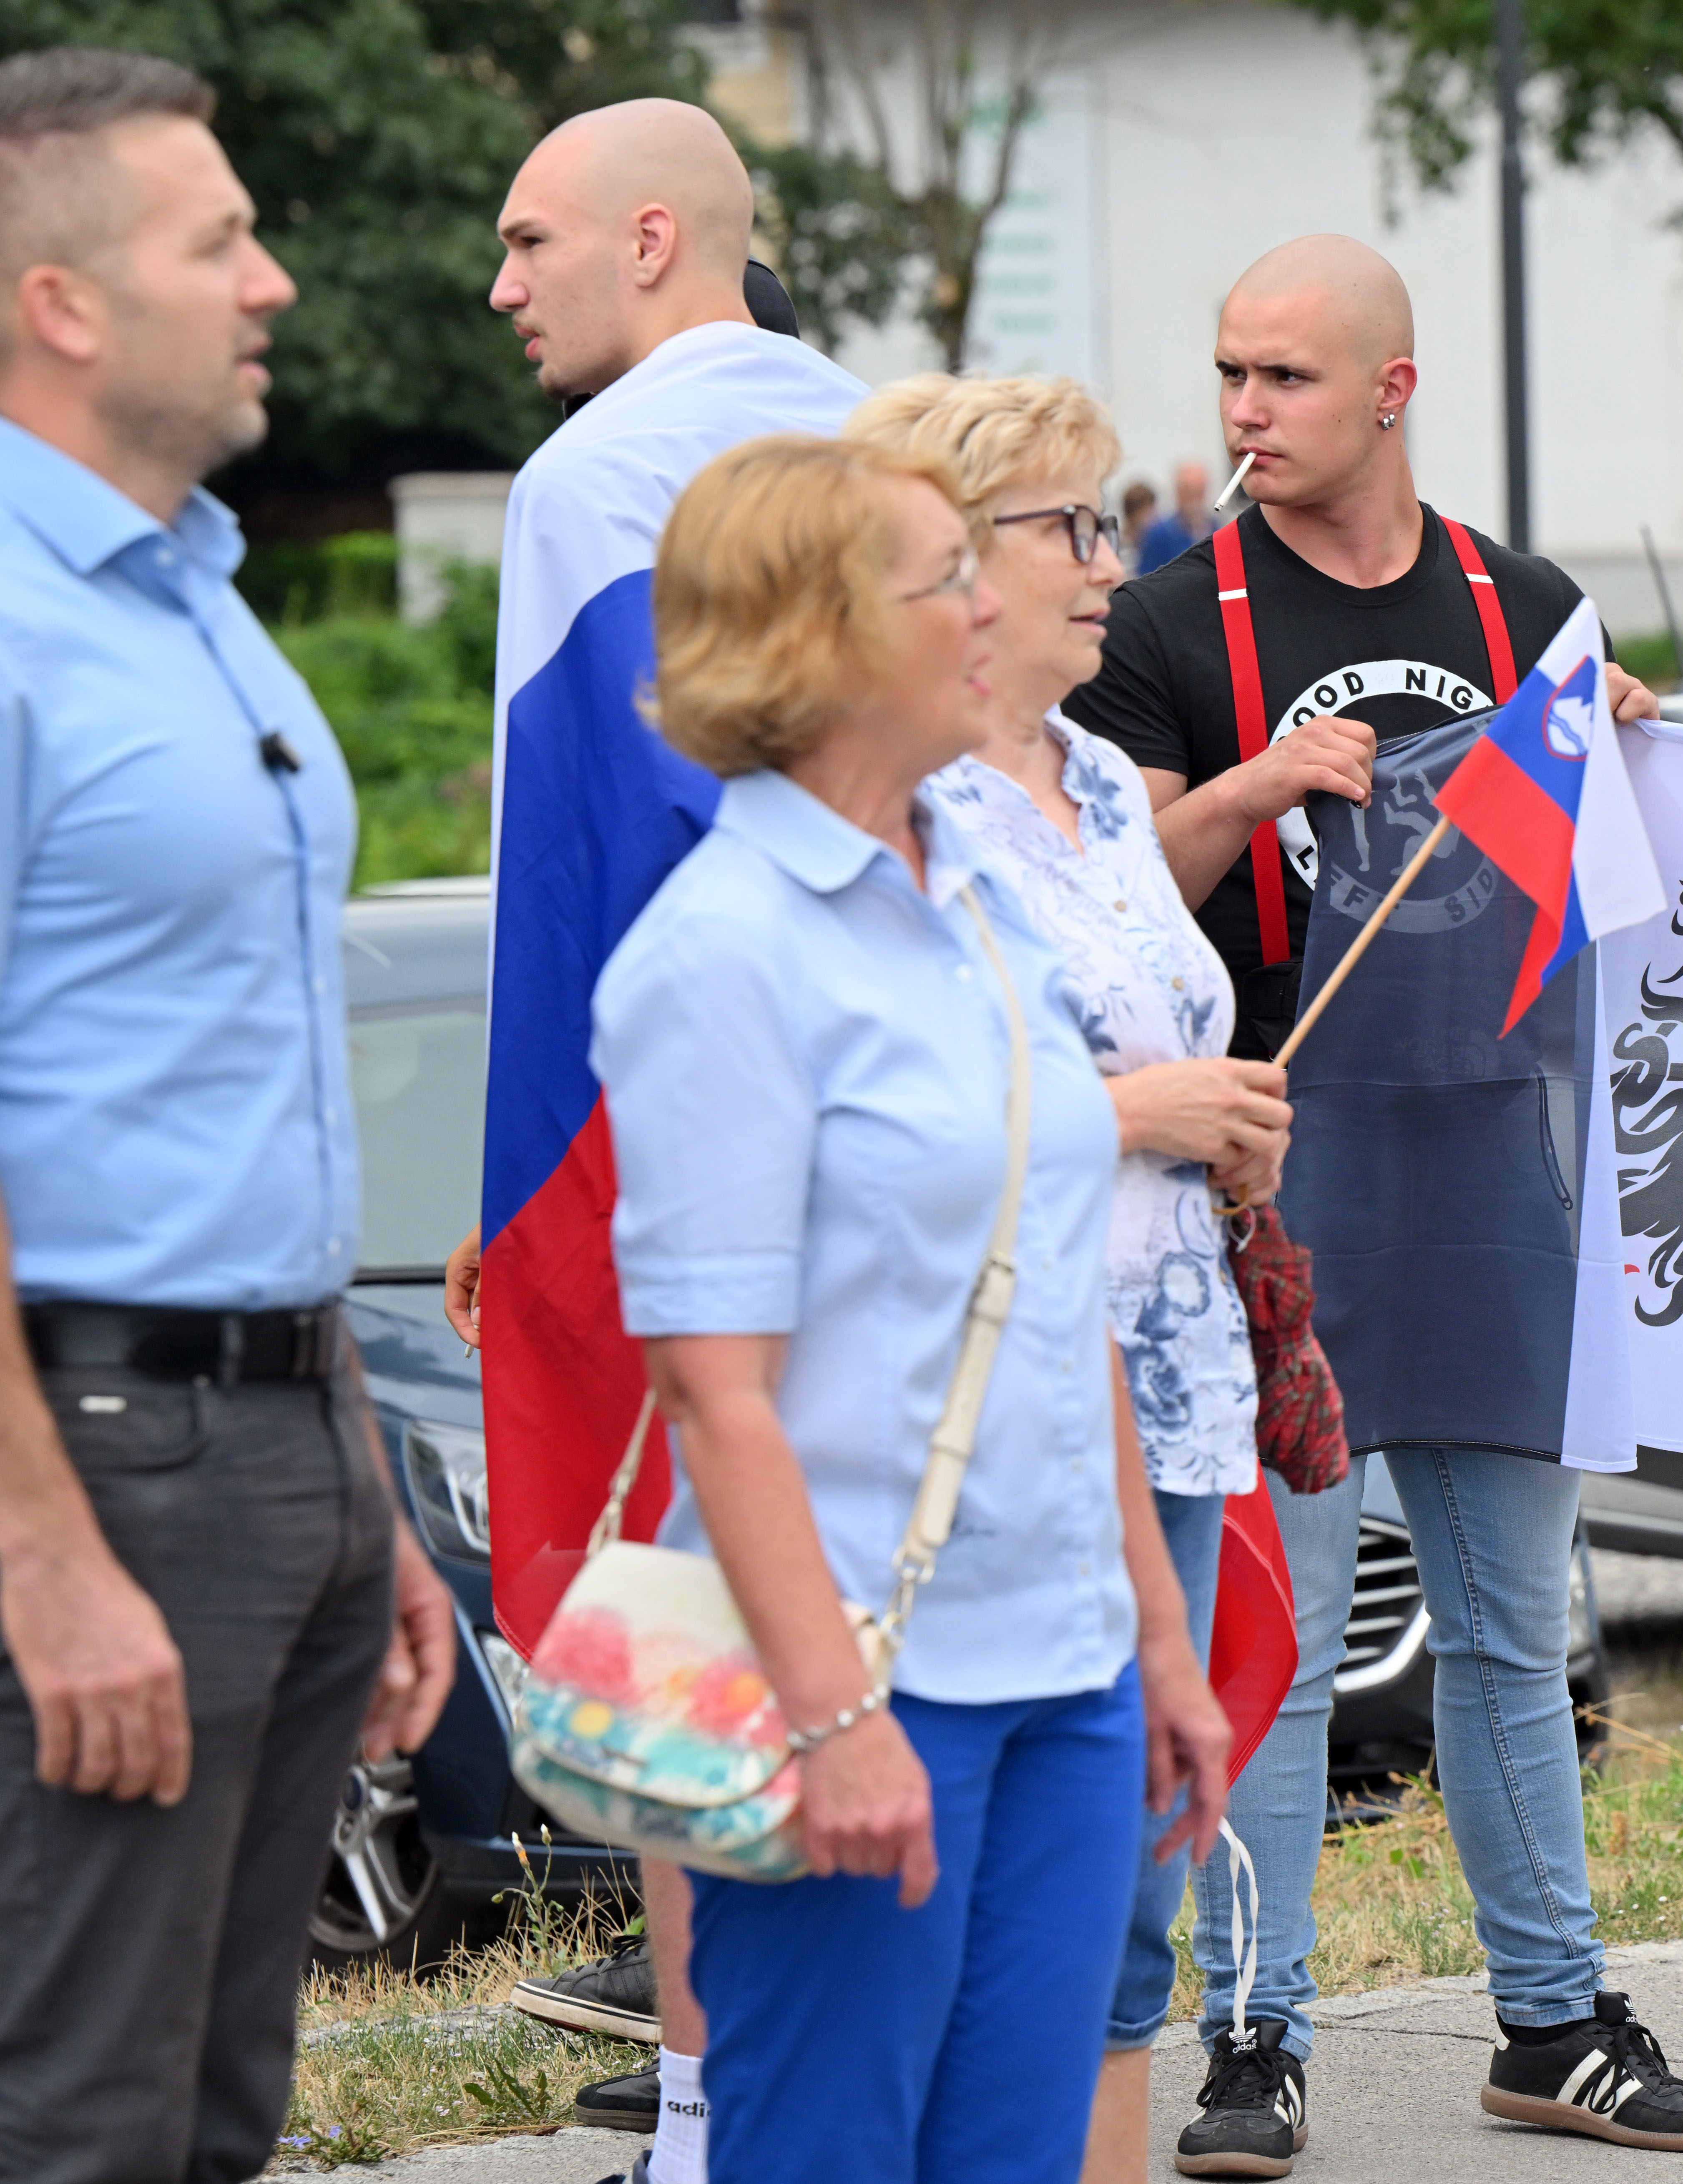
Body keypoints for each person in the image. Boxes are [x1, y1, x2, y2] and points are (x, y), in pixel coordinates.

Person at [1071, 232, 1683, 2171]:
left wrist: (1620, 754)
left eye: (1282, 378)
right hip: (1274, 1169)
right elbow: (1111, 879)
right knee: (1277, 1636)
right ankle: (1251, 2035)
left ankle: (1551, 2019)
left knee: (1509, 1623)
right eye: (1226, 374)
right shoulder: (1161, 615)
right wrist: (1254, 783)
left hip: (1487, 1155)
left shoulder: (1514, 600)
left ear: (1390, 387)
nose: (1240, 414)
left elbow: (1599, 887)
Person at [593, 431, 1230, 2184]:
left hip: (1067, 1677)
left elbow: (1051, 1291)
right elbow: (716, 1396)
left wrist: (1158, 1654)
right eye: (940, 577)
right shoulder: (720, 951)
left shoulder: (977, 907)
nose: (986, 609)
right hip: (859, 1688)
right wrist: (823, 1716)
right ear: (812, 638)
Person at [0, 48, 457, 2181]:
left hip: (277, 1435)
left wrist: (357, 1488)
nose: (275, 282)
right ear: (62, 301)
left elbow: (235, 1083)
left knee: (216, 2115)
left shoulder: (200, 602)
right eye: (221, 241)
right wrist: (45, 1558)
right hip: (90, 1459)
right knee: (76, 2114)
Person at [463, 97, 872, 2180]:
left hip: (680, 1129)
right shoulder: (888, 438)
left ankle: (712, 2118)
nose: (504, 287)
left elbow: (575, 880)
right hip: (899, 1127)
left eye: (532, 245)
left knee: (693, 1618)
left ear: (652, 240)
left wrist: (513, 1204)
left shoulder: (588, 481)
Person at [843, 371, 1291, 2184]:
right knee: (955, 1894)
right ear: (944, 554)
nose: (1115, 564)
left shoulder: (1104, 778)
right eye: (1072, 527)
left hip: (1160, 1381)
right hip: (987, 1399)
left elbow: (1155, 1030)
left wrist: (1223, 1125)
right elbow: (904, 1102)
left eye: (1109, 520)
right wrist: (1142, 1109)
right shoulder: (897, 798)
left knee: (1119, 1890)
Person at [1132, 457, 1212, 572]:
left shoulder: (1215, 528)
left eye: (1200, 491)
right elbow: (1144, 579)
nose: (1195, 500)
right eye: (1189, 492)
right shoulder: (1158, 535)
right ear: (1178, 492)